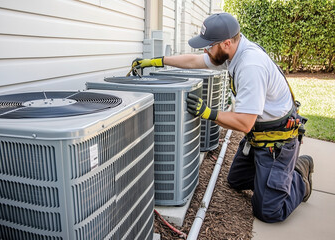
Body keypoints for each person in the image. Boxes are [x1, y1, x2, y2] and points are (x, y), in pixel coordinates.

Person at [131, 12, 314, 223]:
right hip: (258, 136)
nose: (205, 50)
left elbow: (245, 123)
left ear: (226, 43)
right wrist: (155, 61)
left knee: (269, 211)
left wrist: (208, 113)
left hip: (276, 141)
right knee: (237, 180)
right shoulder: (234, 52)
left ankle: (299, 174)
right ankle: (275, 177)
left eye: (209, 46)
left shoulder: (250, 66)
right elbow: (194, 61)